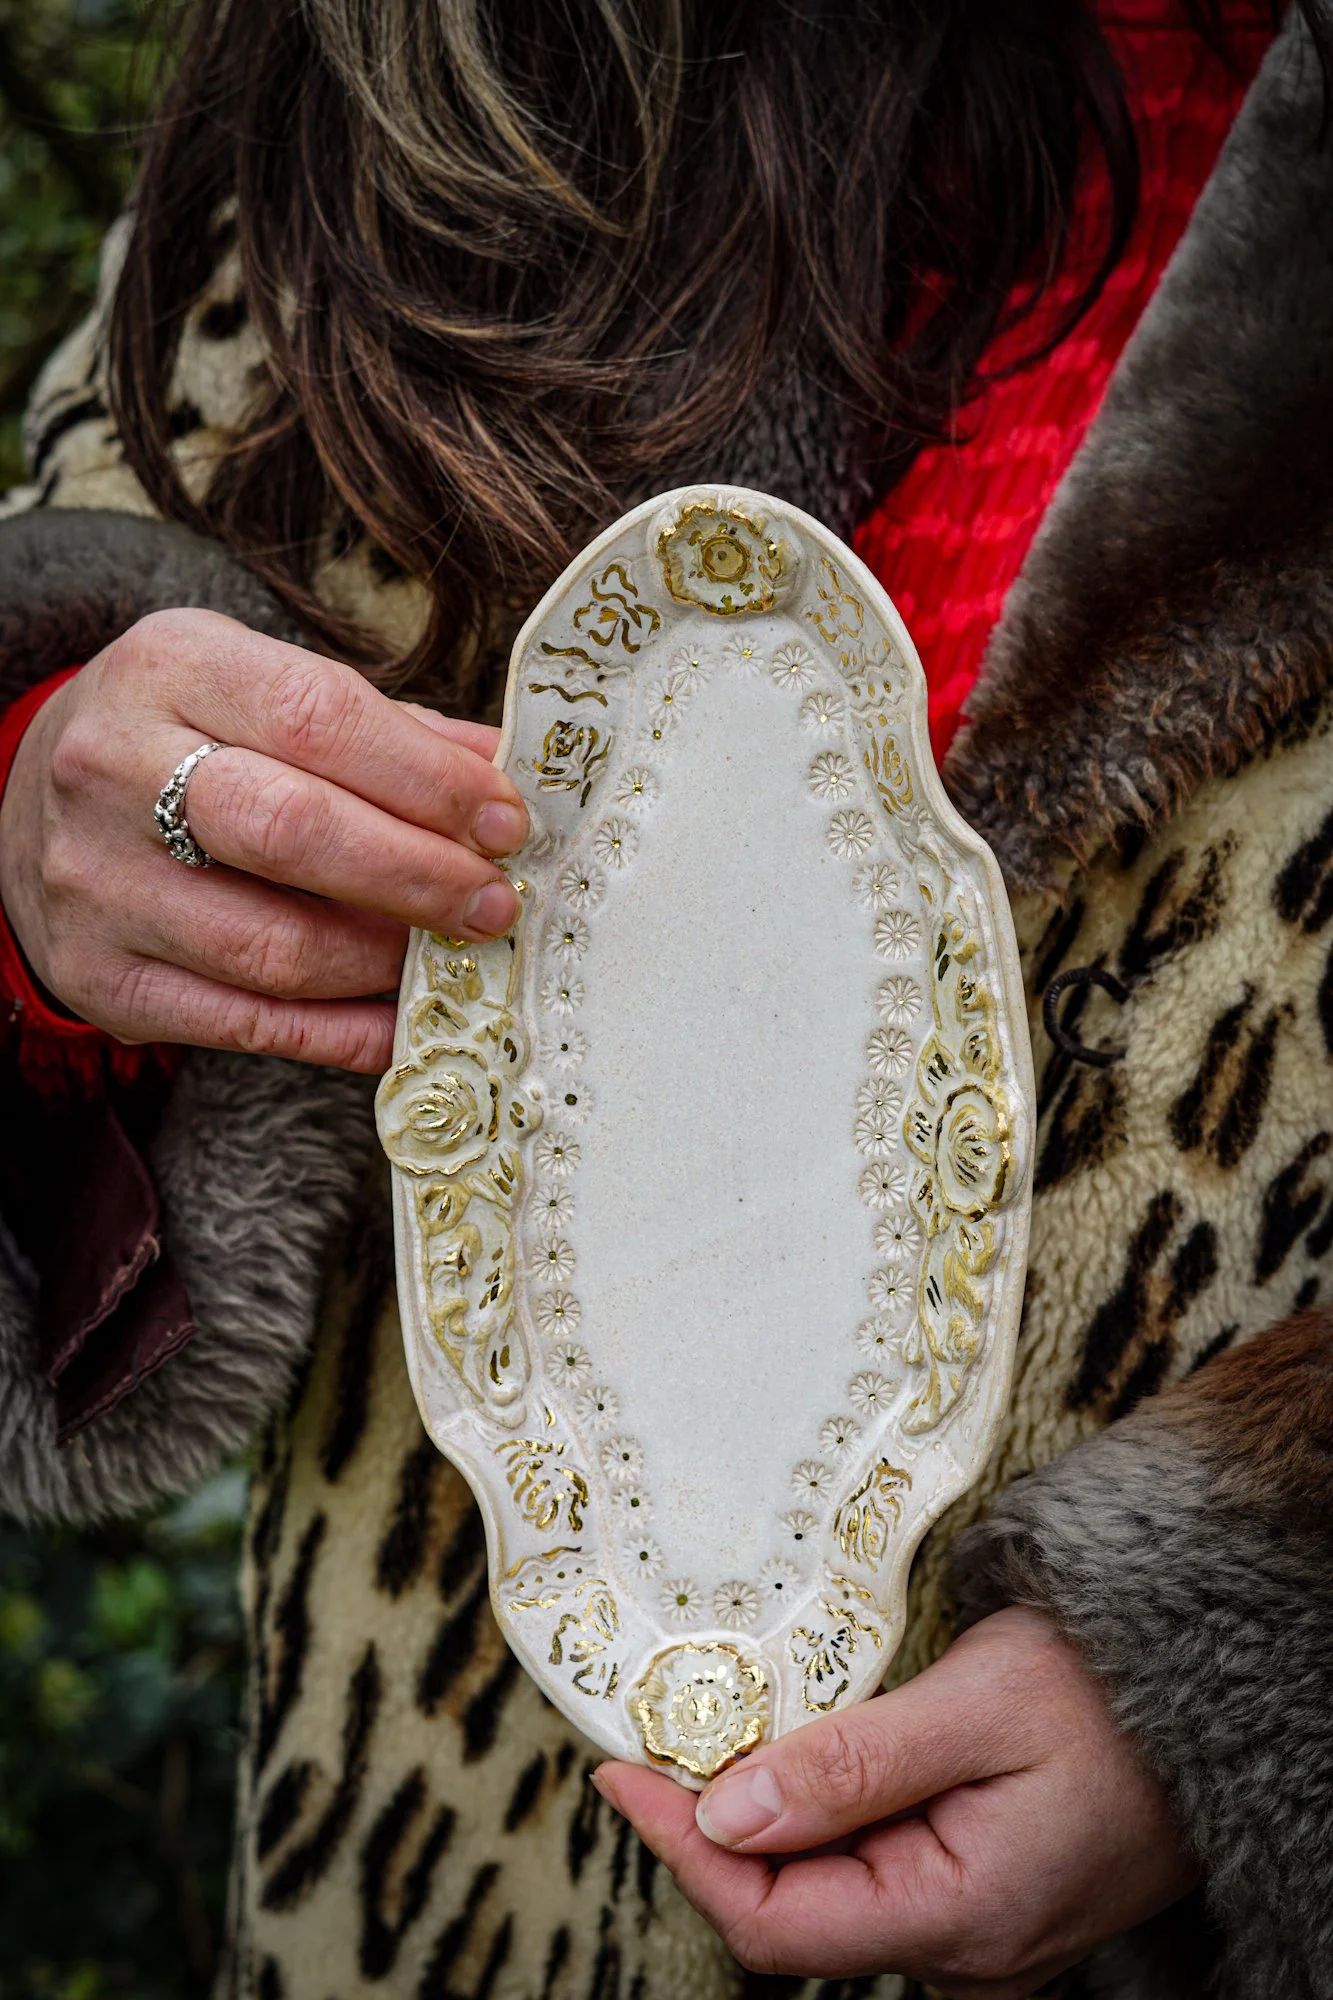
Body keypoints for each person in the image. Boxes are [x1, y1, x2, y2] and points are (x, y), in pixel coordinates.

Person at [1, 2, 1331, 1995]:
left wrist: (1249, 1637)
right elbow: (118, 648)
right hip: (421, 1900)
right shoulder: (410, 94)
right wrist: (39, 838)